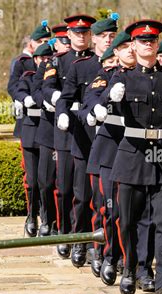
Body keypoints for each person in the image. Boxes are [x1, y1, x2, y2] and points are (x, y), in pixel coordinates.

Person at [104, 19, 162, 294]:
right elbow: (105, 104)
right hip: (132, 155)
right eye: (142, 40)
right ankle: (130, 268)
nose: (147, 44)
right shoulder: (122, 78)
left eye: (152, 40)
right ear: (134, 45)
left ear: (158, 44)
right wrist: (111, 98)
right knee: (127, 220)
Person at [57, 12, 118, 270]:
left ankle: (103, 248)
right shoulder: (81, 66)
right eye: (103, 36)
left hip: (114, 140)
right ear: (94, 40)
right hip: (84, 136)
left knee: (107, 200)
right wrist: (62, 113)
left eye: (112, 36)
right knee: (82, 197)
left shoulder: (124, 65)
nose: (108, 41)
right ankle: (81, 240)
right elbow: (66, 97)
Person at [80, 31, 134, 286]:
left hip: (136, 147)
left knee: (132, 211)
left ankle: (131, 259)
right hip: (111, 147)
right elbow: (90, 99)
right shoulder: (107, 77)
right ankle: (108, 255)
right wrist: (99, 106)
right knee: (108, 209)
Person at [42, 14, 96, 259]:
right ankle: (64, 232)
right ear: (69, 35)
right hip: (66, 129)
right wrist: (58, 102)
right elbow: (47, 86)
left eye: (85, 33)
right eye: (77, 33)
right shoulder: (58, 60)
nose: (81, 36)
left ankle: (83, 238)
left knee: (85, 190)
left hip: (89, 128)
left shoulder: (98, 61)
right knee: (64, 188)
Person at [35, 24, 71, 237]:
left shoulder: (80, 63)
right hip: (50, 128)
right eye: (62, 42)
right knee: (46, 181)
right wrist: (47, 102)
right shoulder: (49, 64)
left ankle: (63, 225)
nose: (65, 46)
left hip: (72, 129)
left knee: (67, 184)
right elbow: (37, 89)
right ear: (55, 44)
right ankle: (47, 218)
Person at [14, 42, 54, 237]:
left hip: (48, 131)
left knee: (47, 180)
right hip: (31, 130)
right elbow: (19, 90)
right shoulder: (28, 77)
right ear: (36, 60)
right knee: (32, 180)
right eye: (42, 59)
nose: (45, 62)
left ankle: (48, 217)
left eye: (49, 59)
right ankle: (32, 216)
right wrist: (24, 99)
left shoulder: (53, 78)